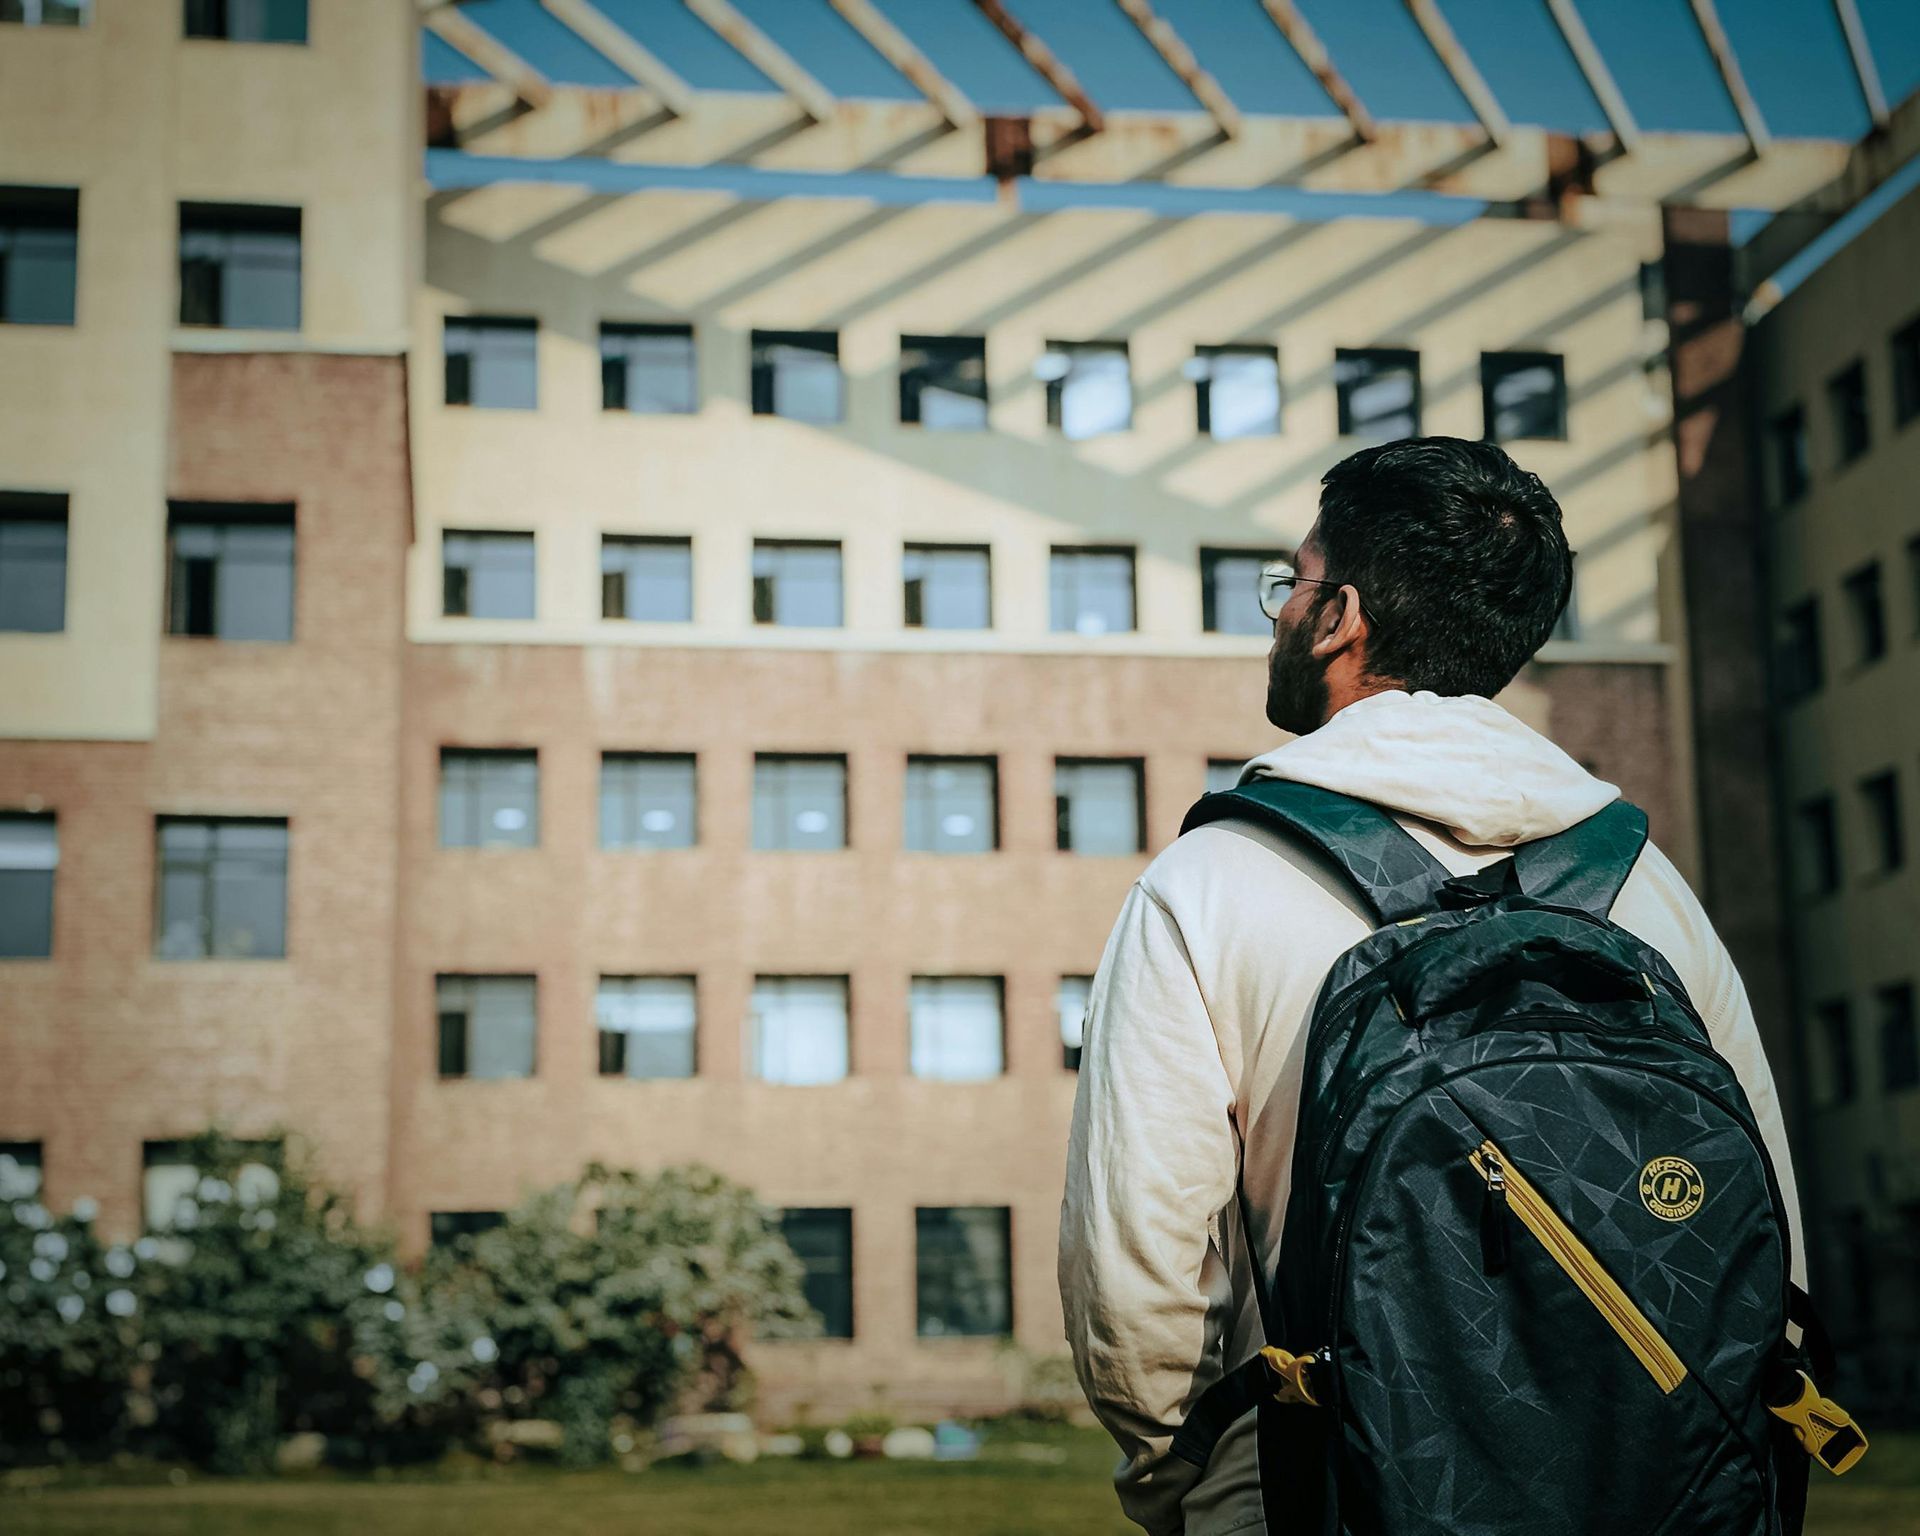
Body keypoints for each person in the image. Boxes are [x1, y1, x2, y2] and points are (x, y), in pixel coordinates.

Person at [1057, 436, 1805, 1536]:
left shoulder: (1209, 882)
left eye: (1291, 585)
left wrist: (1190, 1485)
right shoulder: (1648, 886)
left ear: (1342, 615)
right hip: (1660, 1492)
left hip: (1315, 1489)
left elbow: (1136, 1272)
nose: (1278, 613)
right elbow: (1768, 1228)